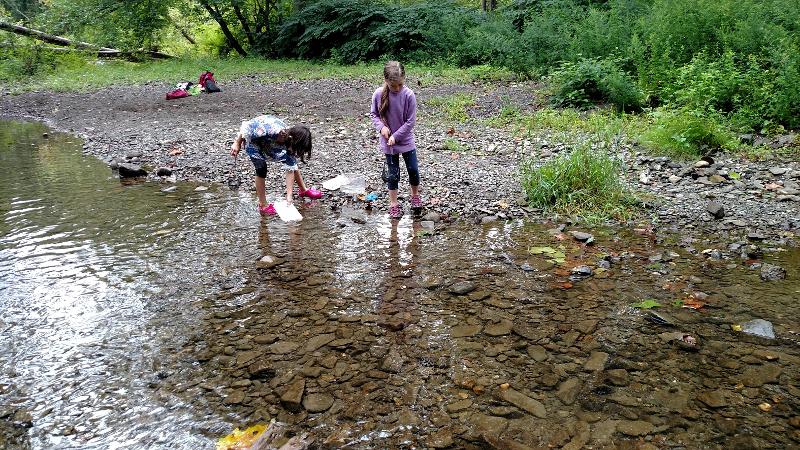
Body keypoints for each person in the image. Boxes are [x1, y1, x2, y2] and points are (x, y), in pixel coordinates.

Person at [230, 115, 322, 215]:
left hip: (271, 145)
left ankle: (303, 190)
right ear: (291, 138)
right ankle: (262, 204)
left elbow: (290, 169)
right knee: (261, 168)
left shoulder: (289, 142)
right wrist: (237, 143)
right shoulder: (271, 130)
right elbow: (247, 127)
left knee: (292, 163)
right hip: (254, 142)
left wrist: (289, 197)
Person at [370, 61, 422, 219]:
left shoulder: (409, 95)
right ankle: (393, 204)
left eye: (400, 84)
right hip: (389, 144)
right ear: (386, 81)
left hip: (405, 141)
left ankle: (415, 196)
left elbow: (410, 122)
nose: (397, 88)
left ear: (404, 78)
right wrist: (382, 128)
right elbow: (374, 115)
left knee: (413, 169)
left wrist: (395, 136)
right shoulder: (379, 94)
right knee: (393, 174)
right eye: (394, 86)